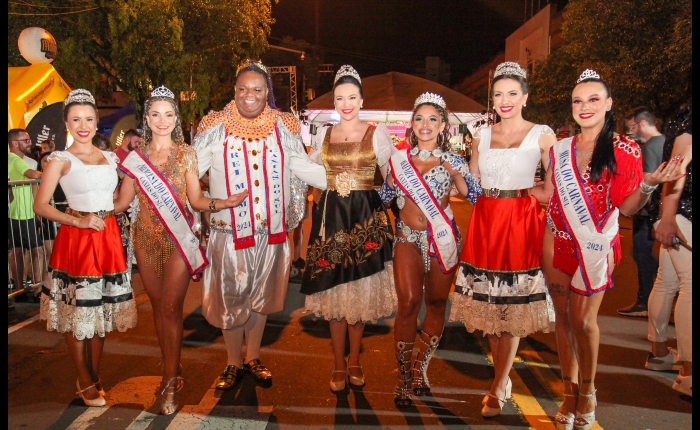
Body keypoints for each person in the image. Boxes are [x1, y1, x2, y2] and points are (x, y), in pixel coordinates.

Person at [539, 70, 683, 430]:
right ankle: (569, 392)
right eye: (578, 100)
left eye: (593, 99)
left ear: (608, 104)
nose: (584, 107)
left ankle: (587, 390)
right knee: (563, 320)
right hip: (556, 238)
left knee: (582, 321)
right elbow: (553, 194)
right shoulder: (560, 149)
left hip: (595, 243)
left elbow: (629, 208)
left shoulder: (624, 148)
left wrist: (649, 184)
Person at [193, 60, 327, 391]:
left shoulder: (284, 128)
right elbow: (188, 176)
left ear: (267, 92)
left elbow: (303, 168)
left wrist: (352, 177)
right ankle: (232, 362)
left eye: (256, 89)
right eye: (242, 89)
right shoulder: (215, 128)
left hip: (272, 235)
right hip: (228, 235)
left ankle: (252, 357)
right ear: (234, 91)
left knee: (261, 300)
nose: (248, 95)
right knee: (231, 301)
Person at [114, 86, 247, 414]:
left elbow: (196, 200)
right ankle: (169, 364)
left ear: (176, 119)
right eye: (155, 114)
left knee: (172, 309)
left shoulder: (186, 154)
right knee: (158, 310)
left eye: (169, 114)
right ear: (146, 118)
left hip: (177, 241)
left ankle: (170, 379)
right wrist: (86, 205)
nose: (162, 120)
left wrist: (223, 202)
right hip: (144, 240)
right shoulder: (136, 158)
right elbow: (121, 203)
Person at [448, 62, 556, 417]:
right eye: (498, 94)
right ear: (491, 98)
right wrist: (454, 173)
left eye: (512, 93)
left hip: (520, 222)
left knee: (510, 306)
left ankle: (497, 385)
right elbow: (472, 189)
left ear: (525, 97)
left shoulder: (542, 133)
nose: (505, 100)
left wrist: (527, 195)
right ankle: (503, 377)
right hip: (485, 220)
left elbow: (554, 186)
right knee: (490, 305)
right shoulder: (480, 135)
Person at [33, 89, 138, 407]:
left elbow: (118, 203)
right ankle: (85, 379)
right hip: (77, 241)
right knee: (77, 316)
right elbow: (41, 205)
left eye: (89, 119)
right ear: (66, 122)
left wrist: (133, 183)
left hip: (107, 239)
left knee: (101, 316)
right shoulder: (60, 160)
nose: (83, 125)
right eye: (76, 119)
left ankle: (92, 375)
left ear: (96, 123)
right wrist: (76, 221)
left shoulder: (110, 158)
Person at [380, 92, 481, 406]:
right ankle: (404, 380)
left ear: (443, 125)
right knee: (409, 302)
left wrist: (468, 162)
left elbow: (474, 195)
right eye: (420, 118)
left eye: (432, 119)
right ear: (412, 123)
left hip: (443, 239)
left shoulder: (453, 160)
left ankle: (420, 367)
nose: (425, 124)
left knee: (437, 304)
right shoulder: (398, 160)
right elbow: (383, 197)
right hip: (408, 238)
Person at [301, 65, 397, 392]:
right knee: (334, 293)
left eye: (352, 97)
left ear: (361, 99)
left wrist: (382, 199)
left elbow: (395, 173)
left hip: (363, 221)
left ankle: (355, 359)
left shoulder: (376, 133)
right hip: (331, 221)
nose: (346, 103)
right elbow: (308, 170)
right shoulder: (324, 134)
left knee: (358, 296)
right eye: (340, 97)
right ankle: (337, 362)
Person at [646, 97, 692, 396]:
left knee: (668, 281)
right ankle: (689, 371)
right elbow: (678, 167)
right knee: (691, 285)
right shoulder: (690, 118)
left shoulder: (684, 113)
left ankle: (660, 353)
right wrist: (667, 216)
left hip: (676, 213)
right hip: (684, 213)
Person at [617, 107, 666, 317]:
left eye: (631, 127)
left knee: (641, 254)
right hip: (660, 210)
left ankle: (645, 301)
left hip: (646, 212)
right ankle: (657, 299)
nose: (630, 132)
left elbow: (648, 182)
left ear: (642, 123)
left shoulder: (649, 148)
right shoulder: (666, 142)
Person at [8, 129, 44, 297]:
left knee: (17, 252)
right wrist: (53, 173)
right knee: (38, 250)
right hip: (22, 213)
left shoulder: (12, 159)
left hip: (16, 212)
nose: (30, 143)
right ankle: (37, 288)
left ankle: (19, 289)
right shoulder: (16, 160)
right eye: (26, 140)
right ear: (15, 143)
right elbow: (33, 174)